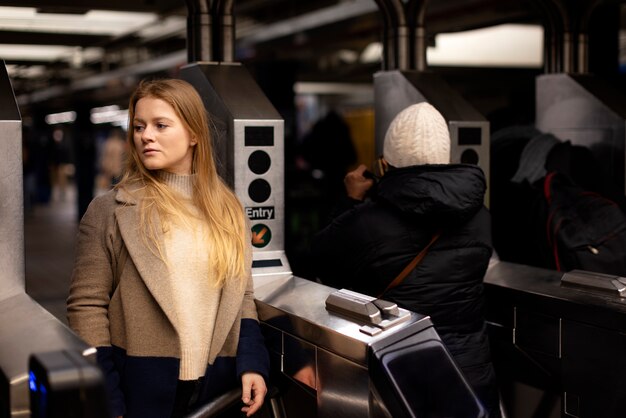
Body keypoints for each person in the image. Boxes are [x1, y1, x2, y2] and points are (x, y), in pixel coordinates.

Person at [67, 79, 269, 418]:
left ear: (193, 134)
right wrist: (107, 395)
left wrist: (252, 362)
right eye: (139, 127)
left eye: (161, 125)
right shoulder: (110, 211)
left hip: (217, 388)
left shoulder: (228, 210)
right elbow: (86, 306)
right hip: (138, 388)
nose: (146, 135)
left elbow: (242, 297)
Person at [310, 102, 501, 417]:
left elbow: (318, 264)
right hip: (470, 375)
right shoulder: (481, 217)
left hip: (399, 375)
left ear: (385, 163)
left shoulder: (367, 222)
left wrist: (350, 199)